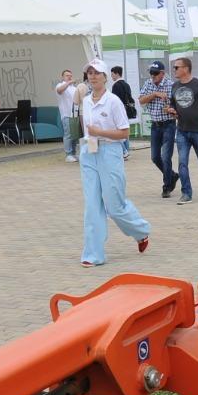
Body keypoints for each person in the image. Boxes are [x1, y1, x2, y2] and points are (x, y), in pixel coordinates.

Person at [75, 58, 151, 266]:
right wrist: (89, 139)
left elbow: (124, 133)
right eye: (89, 73)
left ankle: (141, 231)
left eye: (96, 73)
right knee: (92, 205)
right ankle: (93, 254)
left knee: (114, 205)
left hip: (110, 151)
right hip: (89, 152)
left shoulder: (113, 101)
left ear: (105, 77)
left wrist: (100, 132)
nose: (92, 76)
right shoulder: (87, 100)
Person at [167, 57, 198, 204]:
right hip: (181, 130)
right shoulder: (174, 86)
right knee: (182, 163)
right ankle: (186, 193)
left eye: (177, 67)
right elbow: (173, 104)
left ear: (186, 68)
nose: (174, 70)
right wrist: (172, 110)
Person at [137, 60, 177, 198]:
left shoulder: (171, 85)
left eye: (155, 73)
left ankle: (167, 186)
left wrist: (171, 109)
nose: (152, 76)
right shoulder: (148, 84)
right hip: (155, 126)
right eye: (151, 73)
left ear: (162, 73)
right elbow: (141, 100)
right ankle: (172, 175)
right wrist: (154, 94)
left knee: (166, 157)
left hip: (168, 124)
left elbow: (177, 105)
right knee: (155, 157)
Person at [109, 65, 135, 159]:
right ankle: (126, 150)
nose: (111, 76)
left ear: (116, 73)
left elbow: (115, 100)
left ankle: (124, 151)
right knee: (125, 131)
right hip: (127, 111)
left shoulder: (116, 85)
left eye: (112, 74)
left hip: (119, 111)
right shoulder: (126, 84)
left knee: (118, 132)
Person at [55, 69, 81, 163]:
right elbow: (60, 90)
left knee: (75, 135)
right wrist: (69, 82)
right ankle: (68, 154)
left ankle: (73, 153)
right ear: (62, 77)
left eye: (70, 75)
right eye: (67, 75)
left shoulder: (74, 88)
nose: (69, 77)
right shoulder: (60, 85)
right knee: (68, 135)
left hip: (75, 114)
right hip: (66, 114)